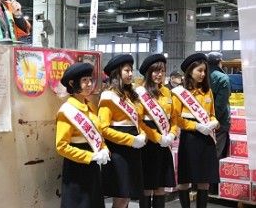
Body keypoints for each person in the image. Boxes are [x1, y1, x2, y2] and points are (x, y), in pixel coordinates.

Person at [56, 62, 110, 208]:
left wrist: (104, 149)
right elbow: (61, 146)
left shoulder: (91, 106)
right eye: (84, 80)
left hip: (93, 165)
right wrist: (90, 156)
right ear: (72, 83)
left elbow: (98, 133)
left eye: (90, 79)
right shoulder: (66, 111)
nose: (89, 84)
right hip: (76, 166)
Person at [171, 53, 220, 208]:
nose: (203, 74)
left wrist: (214, 122)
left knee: (204, 181)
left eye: (204, 71)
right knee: (185, 180)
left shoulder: (207, 91)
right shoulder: (180, 93)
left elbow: (212, 114)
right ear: (190, 71)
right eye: (199, 70)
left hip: (207, 140)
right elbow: (176, 118)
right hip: (190, 139)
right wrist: (196, 126)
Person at [98, 54, 146, 208]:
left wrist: (142, 134)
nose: (131, 74)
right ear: (116, 73)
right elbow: (104, 129)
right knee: (121, 197)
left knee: (127, 196)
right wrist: (131, 140)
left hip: (133, 150)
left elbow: (137, 120)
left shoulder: (130, 95)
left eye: (131, 70)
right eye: (127, 71)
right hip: (119, 151)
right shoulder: (108, 97)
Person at [136, 54, 177, 208]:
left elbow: (174, 117)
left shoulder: (167, 92)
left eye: (163, 71)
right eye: (156, 71)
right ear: (148, 72)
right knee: (147, 187)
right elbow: (138, 121)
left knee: (161, 187)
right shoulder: (139, 93)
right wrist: (157, 137)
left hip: (164, 144)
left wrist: (172, 133)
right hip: (148, 144)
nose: (160, 74)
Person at [207, 52, 231, 195]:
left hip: (202, 123)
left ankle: (202, 183)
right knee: (217, 154)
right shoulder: (223, 78)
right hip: (219, 123)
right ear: (219, 62)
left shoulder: (201, 76)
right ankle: (213, 187)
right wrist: (214, 121)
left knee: (206, 152)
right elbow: (221, 105)